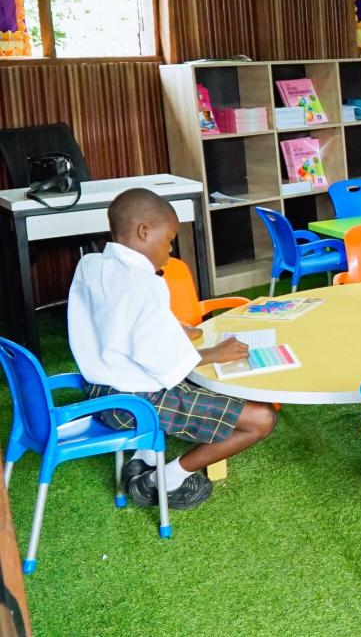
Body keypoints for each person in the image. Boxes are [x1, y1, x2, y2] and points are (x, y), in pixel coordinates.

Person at [67, 188, 278, 510]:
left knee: (202, 391)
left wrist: (169, 327)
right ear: (144, 231)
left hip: (99, 392)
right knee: (261, 419)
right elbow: (161, 362)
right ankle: (164, 479)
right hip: (135, 402)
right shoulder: (145, 283)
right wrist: (214, 354)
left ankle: (143, 457)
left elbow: (115, 322)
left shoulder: (91, 265)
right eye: (168, 239)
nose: (170, 249)